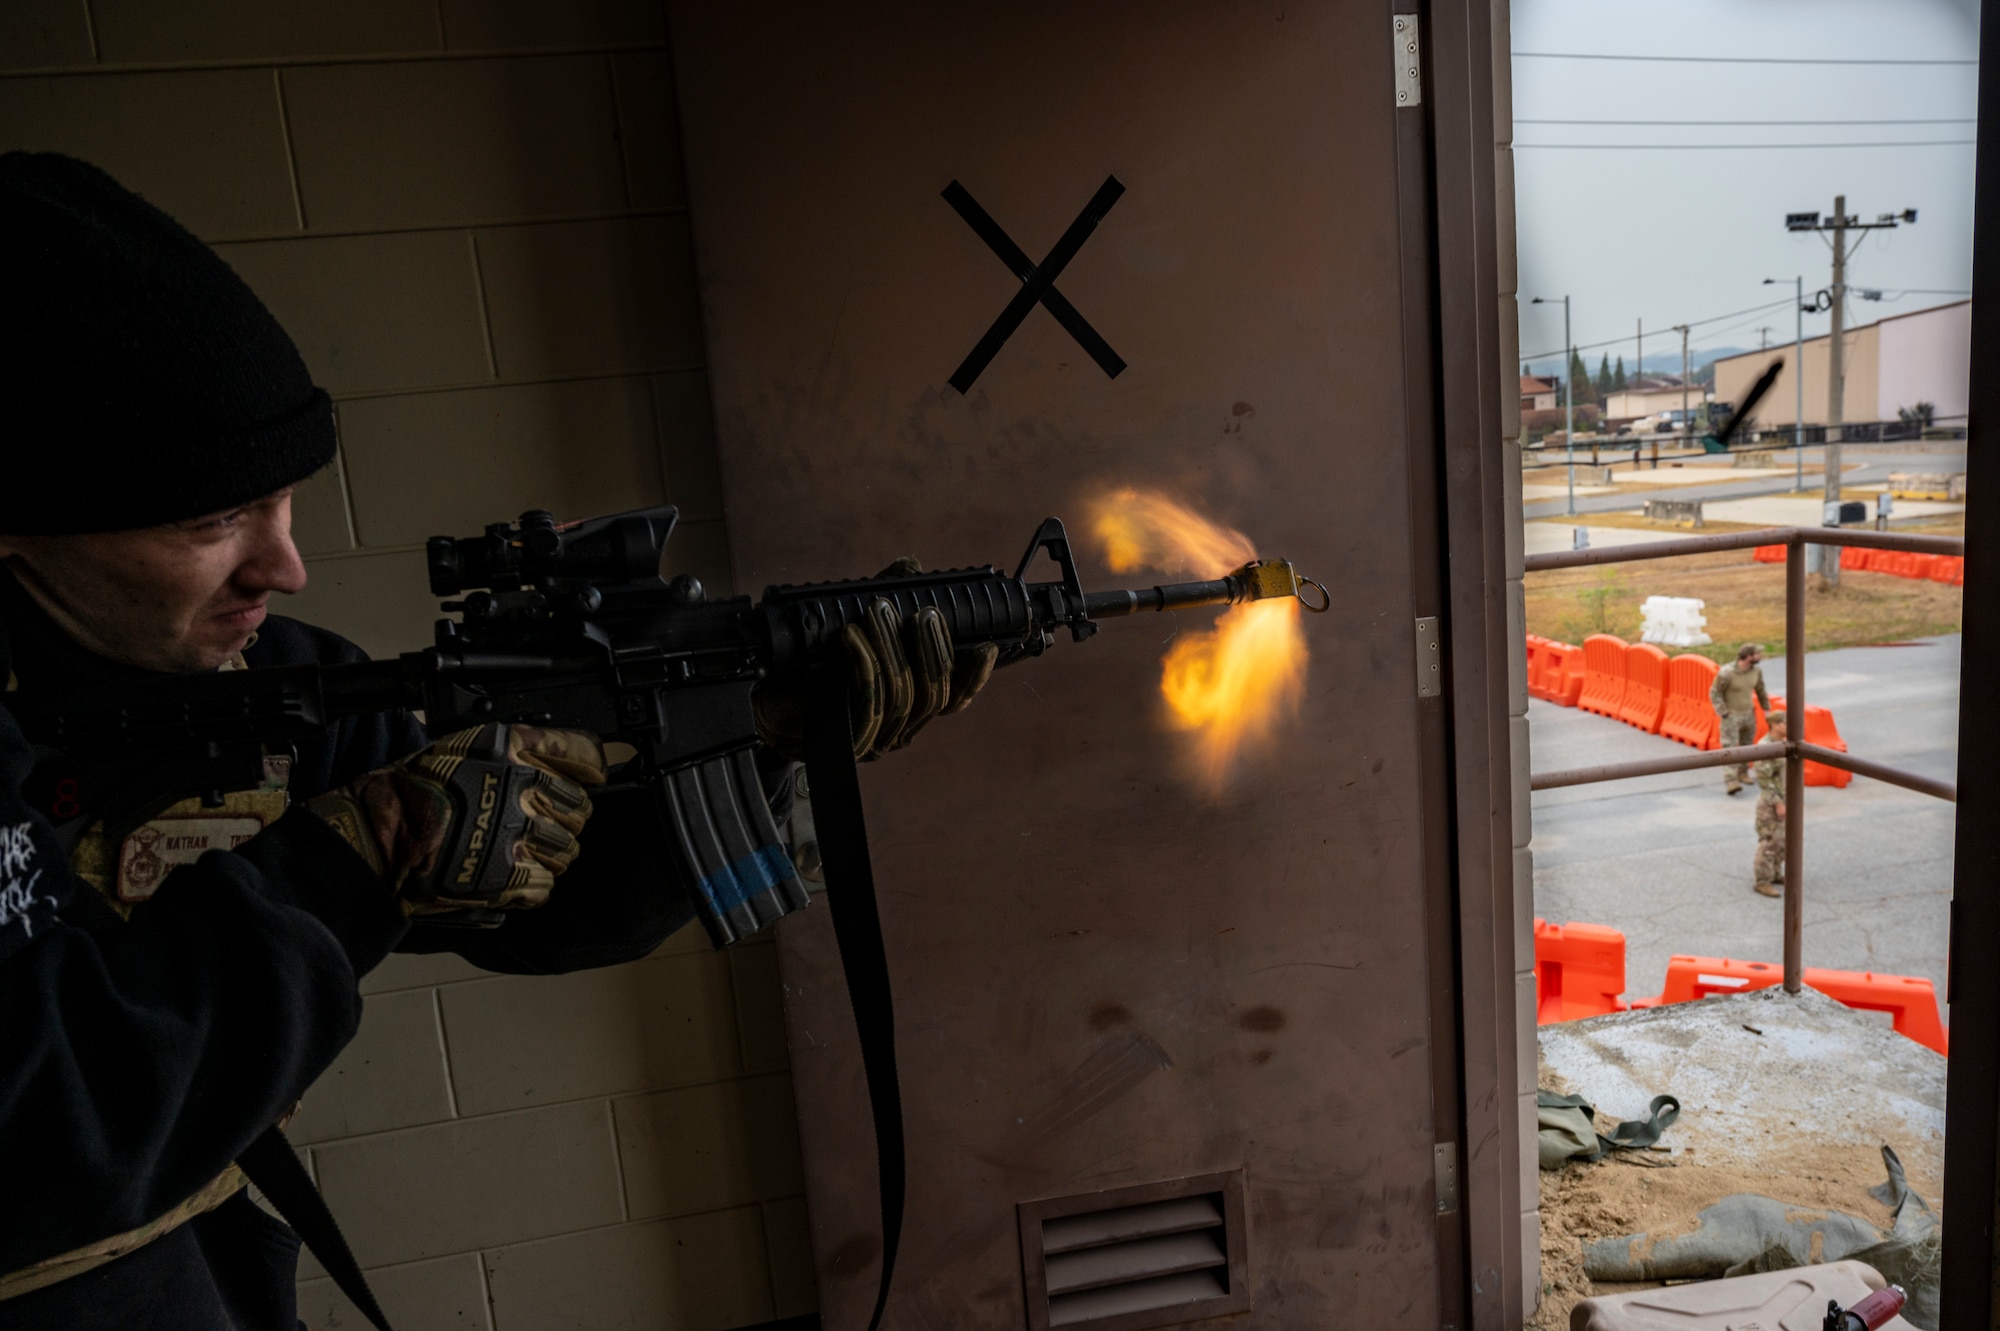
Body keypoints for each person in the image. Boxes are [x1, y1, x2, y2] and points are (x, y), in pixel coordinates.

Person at [0, 151, 983, 1329]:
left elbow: (529, 904)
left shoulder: (265, 682)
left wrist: (761, 734)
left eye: (283, 501)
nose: (283, 567)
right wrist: (352, 858)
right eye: (212, 520)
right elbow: (40, 1126)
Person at [1710, 641, 1772, 794]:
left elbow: (1761, 690)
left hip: (1748, 715)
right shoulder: (1726, 673)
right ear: (1748, 656)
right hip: (1731, 716)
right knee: (1729, 748)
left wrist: (1766, 709)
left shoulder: (1756, 671)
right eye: (1757, 654)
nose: (1760, 656)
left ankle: (1743, 773)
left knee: (1747, 746)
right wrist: (1723, 712)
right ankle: (1731, 780)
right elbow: (1715, 693)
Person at [1752, 711, 1787, 898]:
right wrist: (1778, 803)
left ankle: (1775, 873)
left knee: (1782, 841)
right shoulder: (1765, 747)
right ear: (1775, 724)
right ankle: (1762, 881)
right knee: (1769, 841)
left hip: (1784, 798)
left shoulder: (1783, 743)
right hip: (1771, 802)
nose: (1789, 727)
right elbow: (1765, 778)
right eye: (1785, 723)